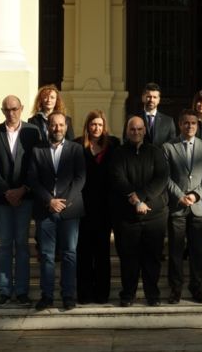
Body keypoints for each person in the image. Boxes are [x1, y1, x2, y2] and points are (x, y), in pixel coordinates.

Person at [0, 95, 41, 308]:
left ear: (22, 108)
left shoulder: (32, 132)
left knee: (23, 245)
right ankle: (5, 290)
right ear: (2, 110)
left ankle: (23, 291)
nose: (11, 113)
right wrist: (7, 191)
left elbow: (36, 163)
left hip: (25, 197)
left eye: (15, 109)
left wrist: (23, 188)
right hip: (1, 198)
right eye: (7, 109)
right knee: (5, 244)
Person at [28, 112, 87, 311]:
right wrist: (49, 201)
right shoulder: (37, 150)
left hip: (70, 210)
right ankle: (47, 296)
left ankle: (68, 296)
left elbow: (80, 178)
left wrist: (64, 202)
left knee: (70, 253)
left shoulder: (76, 149)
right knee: (46, 255)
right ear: (48, 127)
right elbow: (33, 180)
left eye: (61, 125)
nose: (57, 129)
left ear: (66, 126)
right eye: (54, 125)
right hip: (45, 210)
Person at [109, 116, 170, 307]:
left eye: (139, 129)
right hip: (126, 217)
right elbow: (117, 177)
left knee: (152, 259)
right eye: (132, 129)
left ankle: (153, 294)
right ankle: (128, 294)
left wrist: (141, 197)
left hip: (154, 216)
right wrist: (134, 199)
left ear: (145, 131)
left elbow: (162, 177)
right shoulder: (118, 153)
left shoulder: (156, 152)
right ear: (127, 131)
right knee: (128, 258)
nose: (136, 132)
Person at [163, 109, 202, 304]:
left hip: (198, 207)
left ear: (197, 126)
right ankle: (175, 289)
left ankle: (196, 287)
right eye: (186, 123)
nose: (190, 126)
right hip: (177, 207)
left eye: (193, 123)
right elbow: (165, 177)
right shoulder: (168, 147)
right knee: (175, 251)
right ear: (179, 124)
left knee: (197, 251)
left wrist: (196, 194)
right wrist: (180, 195)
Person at [74, 109, 120, 304]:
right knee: (83, 252)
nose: (96, 128)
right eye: (93, 124)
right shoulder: (77, 145)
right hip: (82, 206)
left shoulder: (113, 146)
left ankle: (102, 293)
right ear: (87, 126)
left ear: (104, 127)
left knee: (102, 253)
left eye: (100, 125)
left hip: (104, 208)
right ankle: (84, 293)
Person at [137, 82, 177, 146]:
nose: (151, 100)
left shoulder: (168, 121)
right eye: (148, 96)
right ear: (143, 98)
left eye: (154, 97)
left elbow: (172, 145)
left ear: (159, 100)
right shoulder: (133, 119)